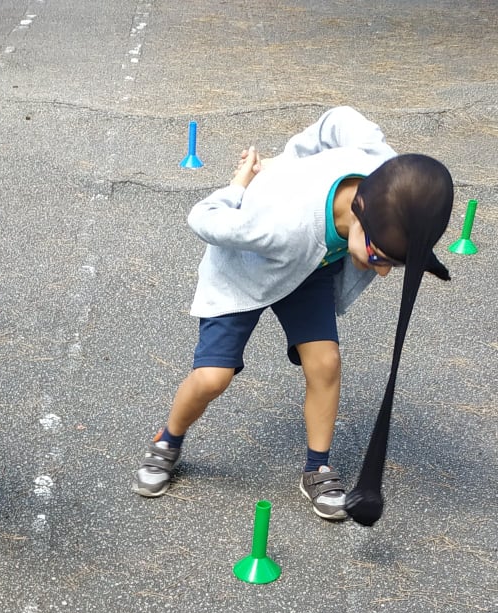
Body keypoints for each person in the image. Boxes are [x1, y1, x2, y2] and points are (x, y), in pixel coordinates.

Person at [131, 106, 453, 523]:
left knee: (326, 364)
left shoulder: (384, 171)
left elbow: (339, 118)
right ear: (360, 210)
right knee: (213, 377)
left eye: (395, 262)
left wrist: (292, 157)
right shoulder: (280, 223)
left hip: (310, 268)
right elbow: (204, 218)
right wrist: (240, 185)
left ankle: (317, 468)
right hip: (244, 273)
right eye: (379, 256)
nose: (384, 271)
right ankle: (167, 441)